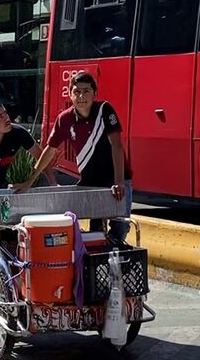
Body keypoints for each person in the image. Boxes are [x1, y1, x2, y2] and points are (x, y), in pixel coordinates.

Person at [15, 71, 133, 243]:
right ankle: (97, 268)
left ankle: (116, 264)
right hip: (91, 182)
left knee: (120, 227)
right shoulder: (65, 119)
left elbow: (116, 145)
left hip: (116, 179)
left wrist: (119, 181)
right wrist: (30, 180)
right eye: (76, 91)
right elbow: (49, 149)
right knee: (96, 232)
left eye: (86, 91)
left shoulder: (104, 111)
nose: (81, 96)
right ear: (70, 94)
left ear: (95, 94)